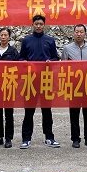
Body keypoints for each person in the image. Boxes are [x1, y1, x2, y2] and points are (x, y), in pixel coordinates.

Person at [19, 14, 60, 149]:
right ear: (32, 25)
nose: (38, 26)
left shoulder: (50, 40)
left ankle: (49, 137)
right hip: (30, 80)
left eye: (41, 24)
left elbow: (55, 58)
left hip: (46, 79)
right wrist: (24, 62)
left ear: (44, 25)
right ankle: (26, 139)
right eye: (36, 24)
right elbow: (21, 58)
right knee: (29, 111)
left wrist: (50, 61)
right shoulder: (26, 40)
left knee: (47, 110)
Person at [61, 24, 87, 149]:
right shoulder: (67, 49)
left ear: (85, 34)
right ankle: (75, 139)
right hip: (73, 86)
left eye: (81, 32)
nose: (79, 34)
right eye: (76, 32)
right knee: (74, 113)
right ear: (73, 33)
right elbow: (63, 67)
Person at [0, 27, 20, 148]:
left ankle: (8, 138)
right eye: (1, 35)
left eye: (5, 35)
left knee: (8, 113)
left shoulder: (13, 52)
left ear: (9, 37)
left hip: (9, 85)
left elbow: (18, 69)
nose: (3, 37)